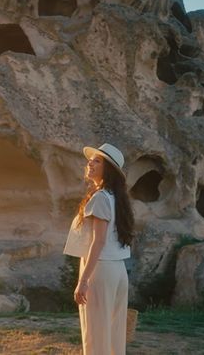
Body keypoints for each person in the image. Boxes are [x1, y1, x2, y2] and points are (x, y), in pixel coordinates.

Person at [63, 142, 135, 355]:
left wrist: (83, 281)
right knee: (113, 334)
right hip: (117, 270)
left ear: (108, 169)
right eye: (91, 160)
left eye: (97, 161)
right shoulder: (116, 198)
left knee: (95, 334)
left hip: (100, 270)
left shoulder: (101, 198)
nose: (90, 164)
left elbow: (99, 241)